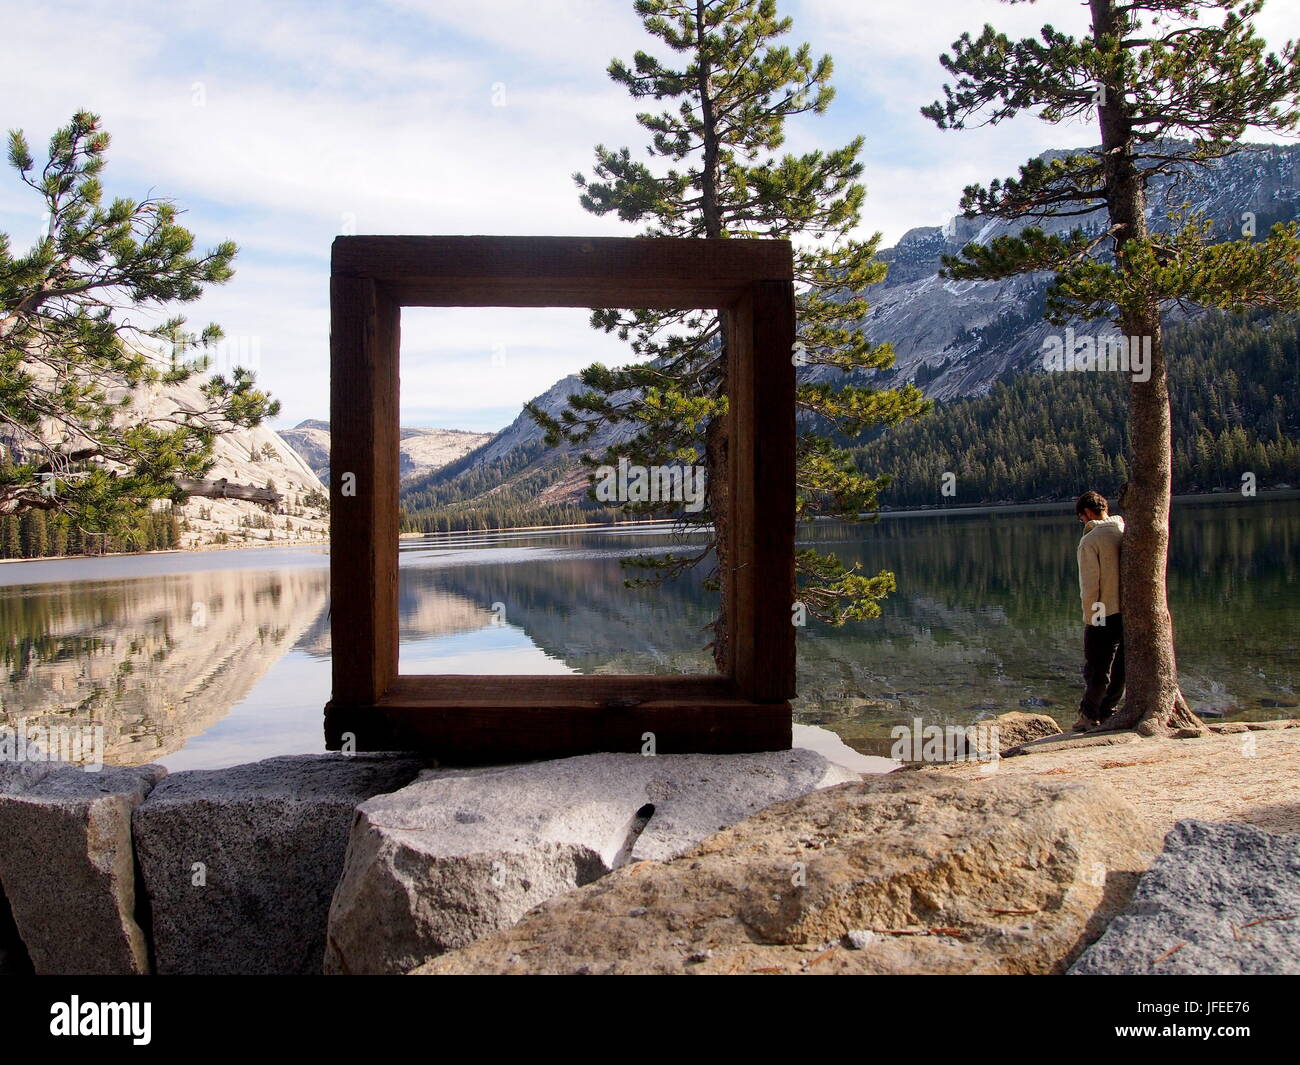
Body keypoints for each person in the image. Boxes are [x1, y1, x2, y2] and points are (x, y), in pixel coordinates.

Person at [1073, 490, 1125, 731]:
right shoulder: (1122, 530)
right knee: (1121, 666)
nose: (1082, 522)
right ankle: (1108, 711)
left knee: (1096, 667)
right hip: (1126, 611)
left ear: (1087, 513)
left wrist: (1091, 617)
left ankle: (1088, 715)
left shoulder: (1090, 541)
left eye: (1081, 517)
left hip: (1102, 611)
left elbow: (1091, 584)